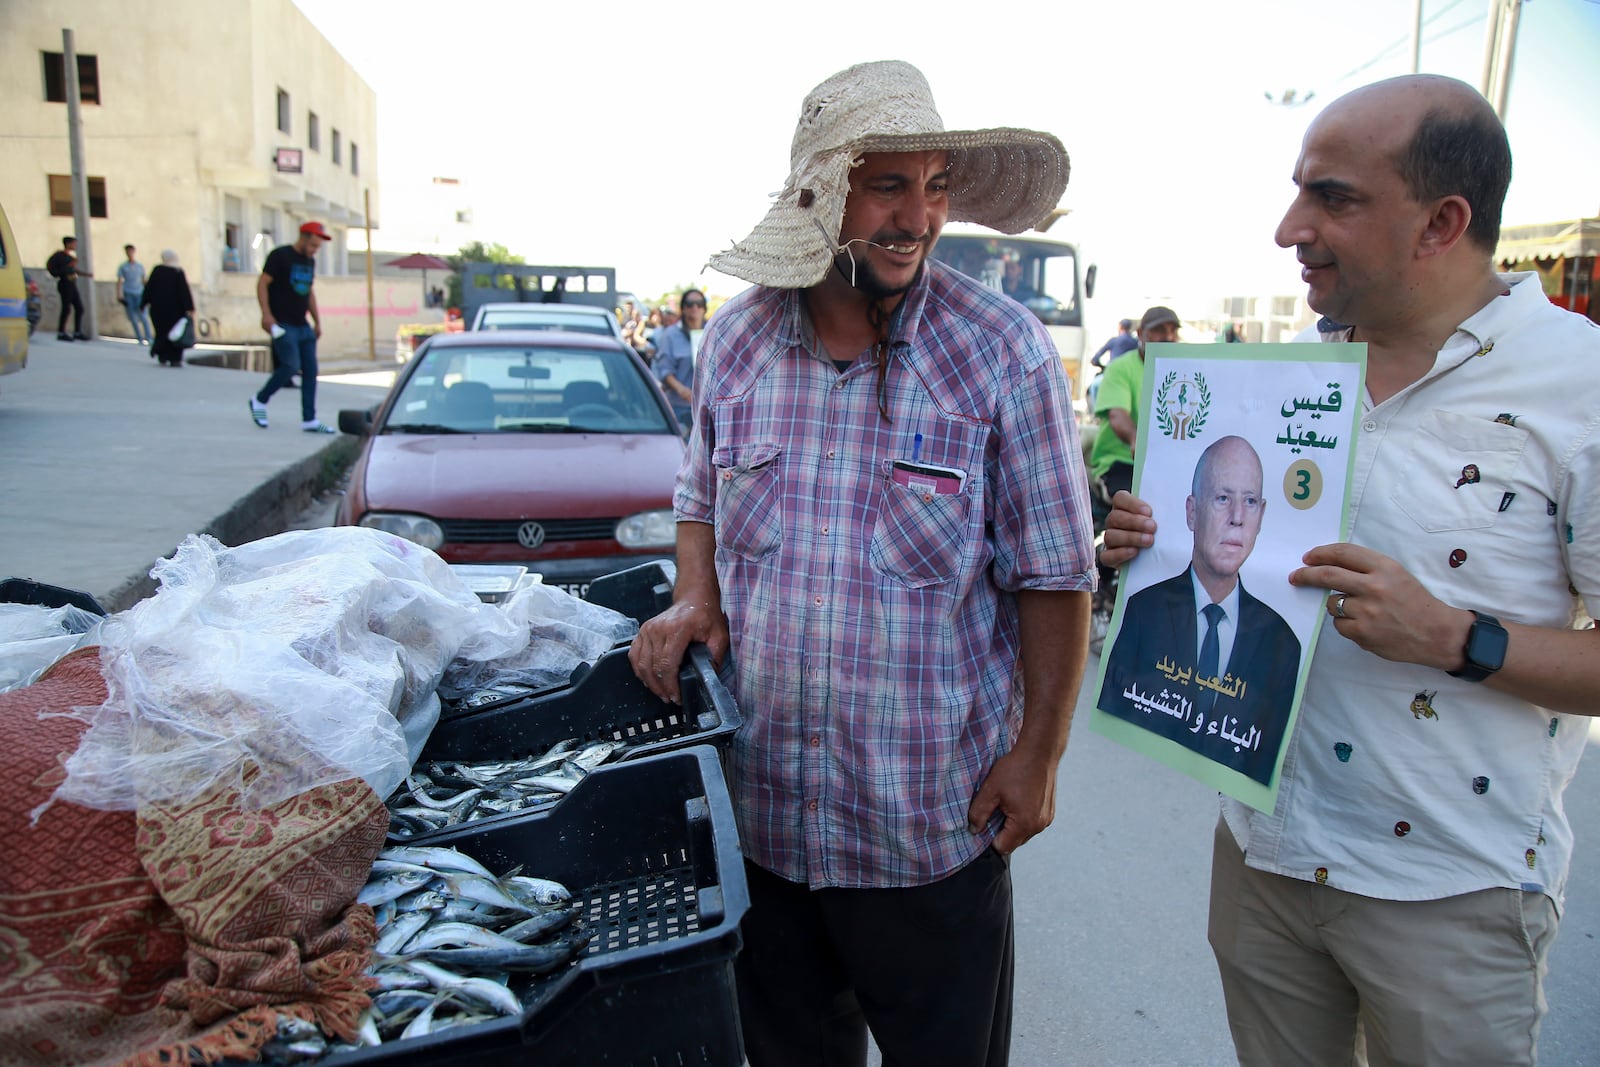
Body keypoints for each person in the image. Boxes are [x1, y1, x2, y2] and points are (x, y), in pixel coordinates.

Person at [1103, 74, 1600, 1066]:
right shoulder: (1283, 373)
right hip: (1264, 858)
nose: (1291, 227)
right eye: (1298, 192)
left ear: (1439, 222)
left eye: (1331, 197)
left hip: (1448, 892)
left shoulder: (1575, 386)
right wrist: (1147, 540)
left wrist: (1459, 638)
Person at [625, 60, 1092, 1066]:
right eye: (887, 185)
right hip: (767, 818)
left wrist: (1040, 756)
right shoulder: (739, 343)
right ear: (821, 196)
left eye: (933, 186)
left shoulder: (1000, 351)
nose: (915, 217)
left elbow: (1055, 576)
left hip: (927, 826)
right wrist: (694, 595)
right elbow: (699, 497)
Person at [1098, 435, 1301, 784]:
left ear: (1262, 514)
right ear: (1192, 511)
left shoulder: (1283, 642)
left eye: (1250, 501)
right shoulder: (1144, 611)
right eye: (1223, 498)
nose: (1237, 518)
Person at [249, 221, 333, 432]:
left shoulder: (309, 262)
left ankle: (309, 419)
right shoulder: (280, 256)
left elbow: (309, 292)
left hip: (303, 325)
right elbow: (262, 283)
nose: (315, 250)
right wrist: (266, 315)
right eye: (313, 245)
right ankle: (259, 400)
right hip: (282, 323)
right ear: (303, 238)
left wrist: (317, 321)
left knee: (311, 371)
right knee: (289, 365)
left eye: (318, 247)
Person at [651, 287, 704, 433]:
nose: (695, 308)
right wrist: (681, 389)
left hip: (706, 406)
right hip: (681, 406)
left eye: (699, 304)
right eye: (690, 304)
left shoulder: (712, 333)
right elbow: (664, 369)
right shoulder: (670, 335)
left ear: (704, 309)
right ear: (683, 309)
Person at [141, 249, 195, 367]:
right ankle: (175, 358)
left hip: (158, 310)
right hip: (175, 311)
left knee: (162, 332)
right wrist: (190, 308)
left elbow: (149, 288)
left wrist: (143, 303)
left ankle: (162, 354)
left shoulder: (157, 270)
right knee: (175, 334)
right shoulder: (178, 271)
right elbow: (184, 291)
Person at [46, 236, 90, 342]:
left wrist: (86, 274)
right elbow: (55, 269)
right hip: (64, 284)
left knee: (79, 308)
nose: (75, 246)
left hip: (72, 284)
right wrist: (68, 267)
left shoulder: (70, 257)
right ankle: (61, 332)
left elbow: (73, 270)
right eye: (74, 244)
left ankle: (77, 332)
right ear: (68, 244)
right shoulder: (59, 256)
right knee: (66, 308)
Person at [115, 244, 153, 346]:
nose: (129, 253)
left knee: (144, 316)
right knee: (133, 317)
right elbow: (119, 281)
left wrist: (149, 294)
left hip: (139, 293)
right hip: (128, 293)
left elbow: (144, 280)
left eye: (131, 251)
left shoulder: (139, 266)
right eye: (128, 251)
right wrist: (119, 294)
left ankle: (149, 337)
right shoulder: (123, 267)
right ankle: (139, 338)